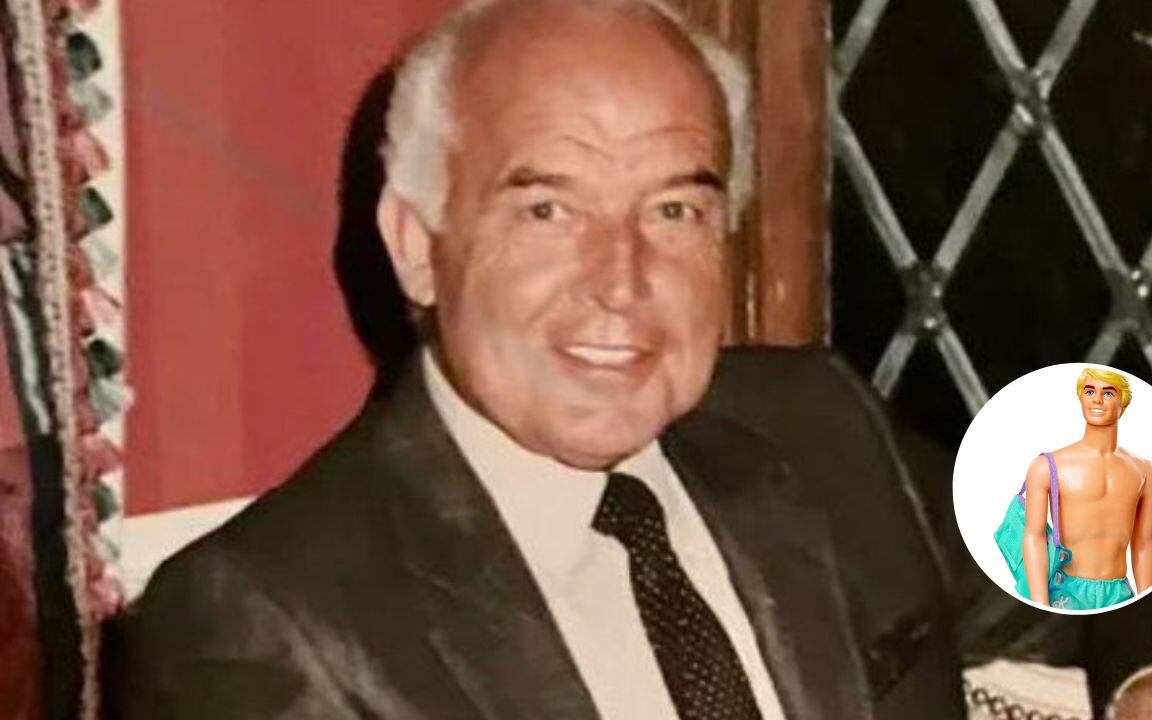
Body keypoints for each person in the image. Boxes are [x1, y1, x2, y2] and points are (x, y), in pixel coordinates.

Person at [111, 0, 962, 717]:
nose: (620, 282)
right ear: (417, 244)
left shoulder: (814, 421)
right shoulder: (260, 616)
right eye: (548, 212)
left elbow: (1047, 555)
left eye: (673, 211)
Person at [1021, 367, 1152, 611]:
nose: (1097, 399)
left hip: (1120, 593)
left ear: (1123, 403)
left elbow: (1144, 541)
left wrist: (1147, 600)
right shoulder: (1047, 466)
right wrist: (1040, 603)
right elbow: (1034, 535)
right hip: (1066, 593)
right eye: (1089, 391)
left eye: (1108, 393)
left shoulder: (1145, 471)